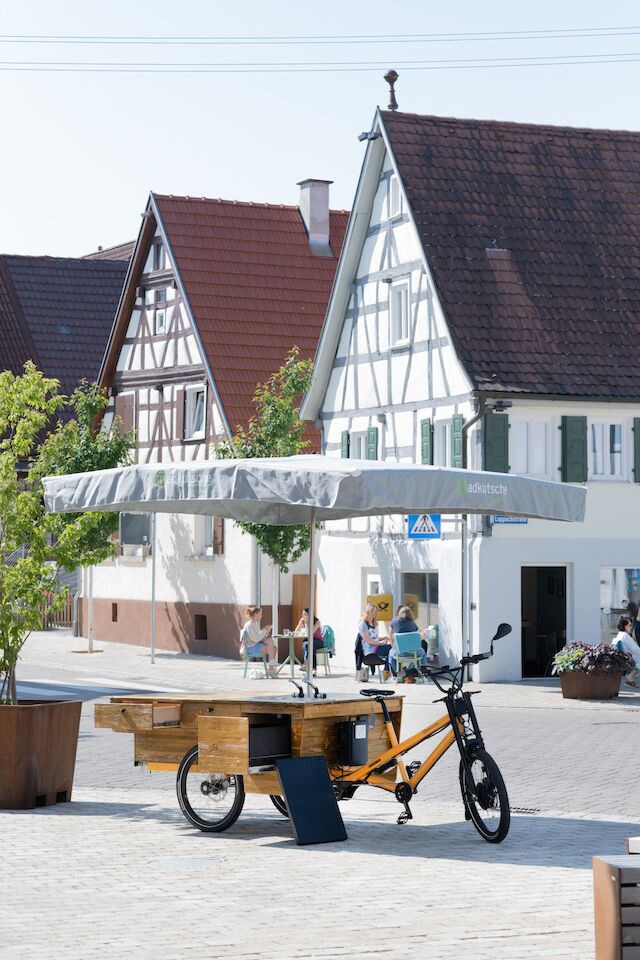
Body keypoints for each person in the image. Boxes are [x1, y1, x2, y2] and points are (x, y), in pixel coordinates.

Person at [388, 604, 428, 674]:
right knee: (423, 652)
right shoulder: (412, 623)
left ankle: (394, 672)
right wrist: (424, 634)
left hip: (399, 653)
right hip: (413, 653)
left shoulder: (394, 622)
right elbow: (420, 634)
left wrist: (393, 646)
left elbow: (389, 636)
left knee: (390, 653)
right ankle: (423, 668)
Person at [357, 602, 393, 681]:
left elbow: (375, 638)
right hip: (370, 650)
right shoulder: (363, 624)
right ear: (369, 612)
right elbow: (368, 640)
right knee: (391, 649)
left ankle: (387, 671)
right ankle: (386, 671)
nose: (377, 613)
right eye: (375, 611)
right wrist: (380, 643)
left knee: (392, 650)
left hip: (375, 647)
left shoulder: (373, 624)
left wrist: (385, 638)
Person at [239, 606, 277, 676]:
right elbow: (256, 639)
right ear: (255, 614)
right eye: (260, 614)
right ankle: (271, 669)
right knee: (273, 649)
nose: (261, 616)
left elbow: (259, 637)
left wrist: (267, 631)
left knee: (273, 645)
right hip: (250, 647)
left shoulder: (256, 623)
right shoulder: (249, 625)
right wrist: (265, 630)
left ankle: (271, 668)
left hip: (256, 644)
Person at [613, 615, 640, 687]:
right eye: (630, 625)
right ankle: (630, 679)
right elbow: (636, 649)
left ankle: (630, 680)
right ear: (625, 626)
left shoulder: (620, 635)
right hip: (632, 659)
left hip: (626, 658)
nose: (631, 627)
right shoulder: (625, 636)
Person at [295, 608, 323, 673]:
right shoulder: (302, 620)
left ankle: (307, 664)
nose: (303, 616)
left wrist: (306, 624)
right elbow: (296, 632)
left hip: (318, 641)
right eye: (302, 614)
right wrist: (302, 623)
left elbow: (310, 633)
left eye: (305, 614)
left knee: (310, 646)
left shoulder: (316, 621)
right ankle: (312, 668)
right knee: (307, 645)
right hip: (307, 641)